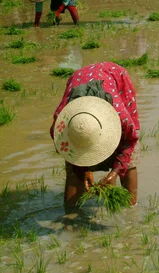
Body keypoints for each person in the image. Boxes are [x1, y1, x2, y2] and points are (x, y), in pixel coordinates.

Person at [50, 62, 140, 207]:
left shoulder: (120, 116)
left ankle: (131, 208)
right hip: (78, 78)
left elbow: (130, 141)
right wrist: (82, 170)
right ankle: (71, 214)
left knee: (130, 161)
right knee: (73, 170)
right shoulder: (61, 123)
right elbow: (67, 150)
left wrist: (115, 173)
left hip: (114, 76)